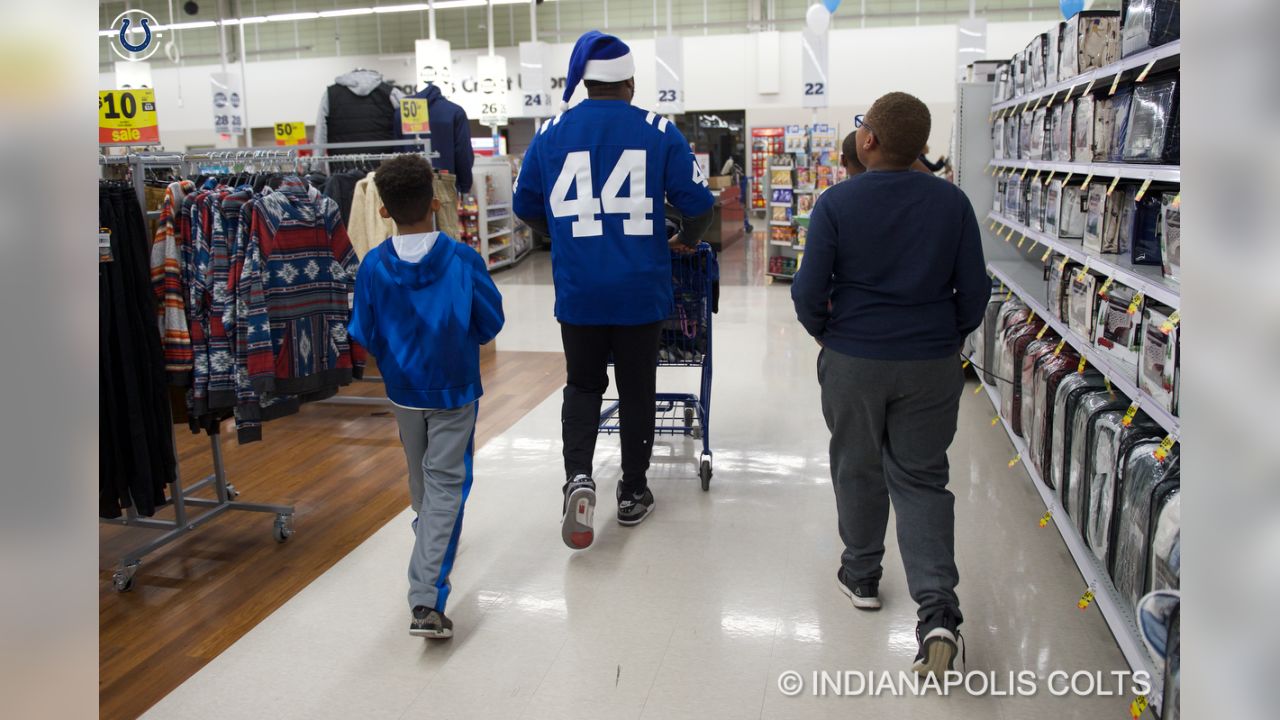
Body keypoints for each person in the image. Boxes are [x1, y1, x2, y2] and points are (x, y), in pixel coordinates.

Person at [790, 92, 989, 677]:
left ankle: (863, 575)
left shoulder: (835, 204)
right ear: (922, 148)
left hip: (854, 357)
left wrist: (832, 335)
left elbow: (807, 292)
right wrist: (943, 338)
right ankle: (938, 612)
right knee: (923, 478)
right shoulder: (952, 203)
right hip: (930, 361)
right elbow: (974, 292)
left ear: (868, 140)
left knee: (856, 464)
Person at [513, 30, 716, 551]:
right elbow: (698, 204)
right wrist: (683, 241)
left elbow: (525, 206)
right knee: (636, 388)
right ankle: (632, 490)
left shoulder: (550, 132)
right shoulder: (658, 129)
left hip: (579, 290)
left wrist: (557, 235)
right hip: (639, 290)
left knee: (582, 386)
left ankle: (578, 477)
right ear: (628, 82)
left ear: (585, 83)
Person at [347, 154, 505, 638]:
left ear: (382, 211)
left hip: (403, 391)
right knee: (445, 487)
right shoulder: (461, 259)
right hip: (454, 389)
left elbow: (364, 331)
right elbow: (490, 322)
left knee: (424, 483)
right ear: (436, 202)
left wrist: (398, 357)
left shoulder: (374, 265)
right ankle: (425, 601)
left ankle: (429, 545)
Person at [403, 81, 475, 240]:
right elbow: (462, 151)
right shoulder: (454, 112)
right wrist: (464, 186)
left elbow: (397, 151)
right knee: (446, 236)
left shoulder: (402, 112)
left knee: (410, 237)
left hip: (406, 186)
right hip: (444, 182)